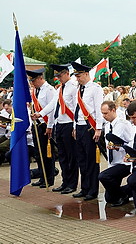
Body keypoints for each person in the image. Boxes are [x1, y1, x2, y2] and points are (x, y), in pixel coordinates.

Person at [32, 64, 79, 194]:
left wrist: (75, 126)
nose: (58, 78)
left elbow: (76, 108)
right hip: (60, 124)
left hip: (69, 123)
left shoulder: (74, 87)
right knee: (63, 156)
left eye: (60, 75)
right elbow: (53, 104)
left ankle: (72, 183)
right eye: (57, 76)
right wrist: (40, 114)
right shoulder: (60, 89)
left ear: (66, 73)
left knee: (71, 156)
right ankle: (65, 182)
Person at [71, 61, 104, 201]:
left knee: (91, 160)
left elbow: (99, 110)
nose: (77, 79)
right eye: (76, 76)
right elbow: (75, 109)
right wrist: (74, 126)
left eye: (79, 76)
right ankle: (84, 188)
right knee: (81, 160)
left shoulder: (95, 89)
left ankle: (92, 189)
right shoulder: (79, 90)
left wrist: (98, 128)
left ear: (86, 74)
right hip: (79, 126)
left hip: (90, 127)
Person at [27, 68, 57, 188]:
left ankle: (49, 178)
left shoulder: (49, 90)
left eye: (34, 80)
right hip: (36, 124)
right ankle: (42, 175)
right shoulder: (35, 90)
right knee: (39, 153)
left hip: (45, 124)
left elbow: (52, 109)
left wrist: (49, 126)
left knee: (47, 153)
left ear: (40, 78)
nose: (32, 83)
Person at [99, 101, 133, 206]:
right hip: (113, 163)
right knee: (109, 198)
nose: (104, 116)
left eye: (106, 113)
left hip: (124, 162)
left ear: (113, 110)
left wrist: (119, 147)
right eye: (102, 113)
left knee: (103, 176)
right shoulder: (108, 125)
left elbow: (131, 142)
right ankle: (125, 192)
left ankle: (123, 195)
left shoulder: (123, 124)